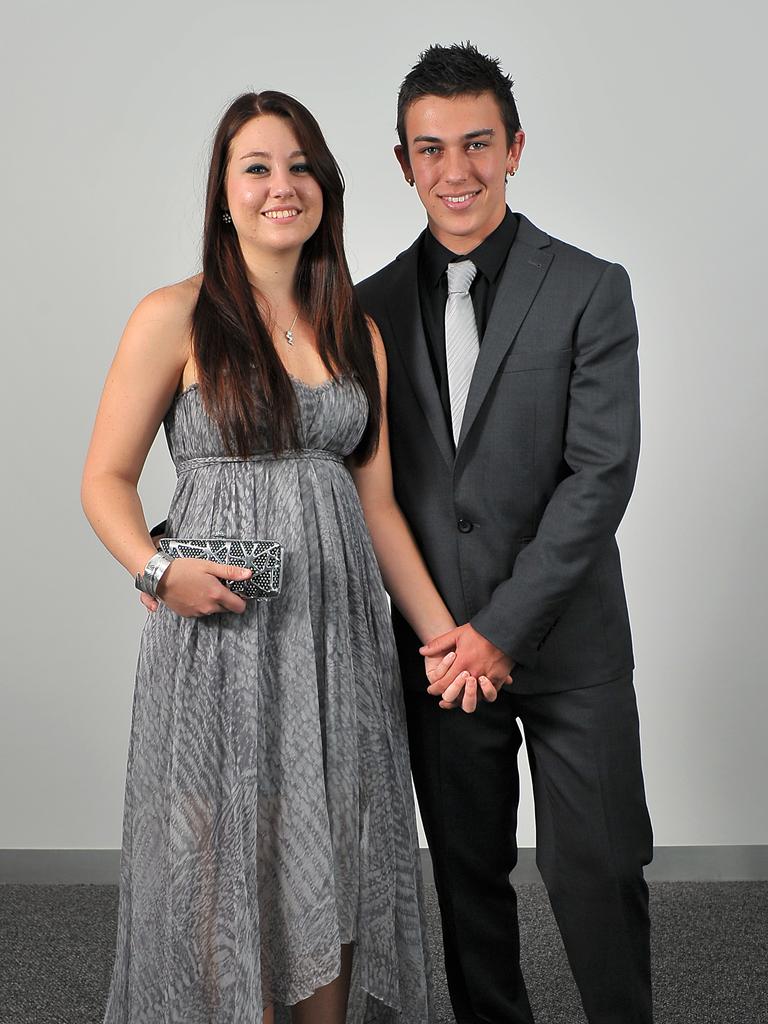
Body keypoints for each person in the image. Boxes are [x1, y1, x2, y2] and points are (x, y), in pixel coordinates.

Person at [80, 90, 471, 1024]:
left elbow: (376, 506)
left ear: (325, 187)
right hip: (222, 637)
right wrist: (155, 568)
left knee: (331, 846)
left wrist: (445, 635)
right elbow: (105, 478)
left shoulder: (355, 332)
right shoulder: (171, 317)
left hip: (337, 640)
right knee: (221, 862)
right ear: (223, 194)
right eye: (256, 167)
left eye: (298, 167)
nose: (280, 186)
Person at [356, 43, 655, 1024]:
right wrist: (452, 636)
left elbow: (599, 476)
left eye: (478, 144)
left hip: (570, 646)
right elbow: (365, 482)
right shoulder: (363, 310)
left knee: (600, 867)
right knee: (468, 885)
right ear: (403, 163)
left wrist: (502, 628)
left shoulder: (590, 288)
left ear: (516, 148)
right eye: (431, 149)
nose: (457, 171)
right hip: (438, 652)